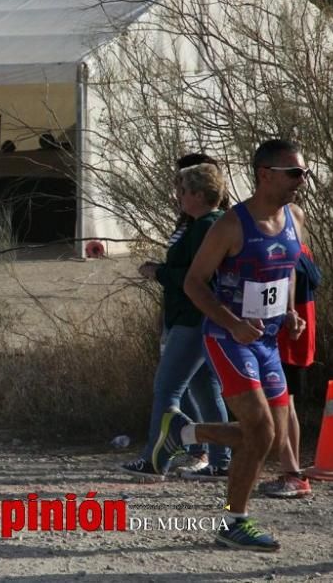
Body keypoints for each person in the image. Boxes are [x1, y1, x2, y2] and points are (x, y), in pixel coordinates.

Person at [154, 138, 309, 552]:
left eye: (303, 172)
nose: (301, 180)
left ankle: (183, 432)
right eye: (294, 173)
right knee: (259, 428)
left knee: (272, 440)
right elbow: (193, 283)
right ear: (265, 175)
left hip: (268, 340)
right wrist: (234, 324)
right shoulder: (231, 225)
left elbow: (287, 269)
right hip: (228, 338)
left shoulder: (294, 215)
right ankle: (234, 521)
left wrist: (290, 312)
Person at [120, 162, 231, 480]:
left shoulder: (205, 226)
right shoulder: (211, 223)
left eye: (182, 191)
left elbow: (198, 276)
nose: (178, 197)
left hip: (193, 318)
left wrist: (159, 273)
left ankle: (155, 459)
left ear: (198, 194)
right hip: (203, 317)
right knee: (206, 391)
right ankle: (221, 460)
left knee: (166, 388)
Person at [258, 243, 320, 498]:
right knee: (287, 404)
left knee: (281, 405)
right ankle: (291, 472)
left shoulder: (284, 252)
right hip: (298, 338)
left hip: (285, 338)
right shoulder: (302, 250)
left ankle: (292, 474)